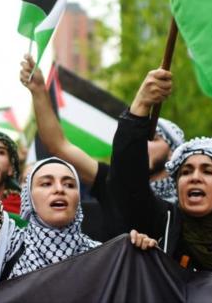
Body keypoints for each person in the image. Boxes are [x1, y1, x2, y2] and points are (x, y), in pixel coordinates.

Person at [0, 69, 106, 283]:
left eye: (69, 184)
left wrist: (140, 248)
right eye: (46, 183)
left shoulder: (103, 255)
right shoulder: (8, 245)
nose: (59, 189)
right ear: (28, 198)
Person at [20, 55, 183, 239]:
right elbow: (58, 146)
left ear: (174, 153)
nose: (142, 143)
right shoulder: (111, 181)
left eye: (152, 138)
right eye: (140, 138)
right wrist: (39, 91)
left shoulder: (190, 203)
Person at [110, 69, 212, 273]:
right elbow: (127, 181)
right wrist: (141, 105)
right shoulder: (160, 226)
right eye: (186, 172)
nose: (195, 178)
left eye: (208, 171)